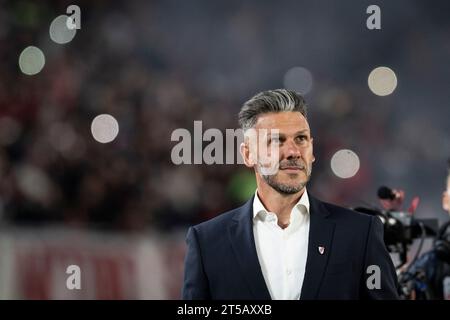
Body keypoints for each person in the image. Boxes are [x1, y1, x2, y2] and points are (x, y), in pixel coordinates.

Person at [182, 89, 399, 299]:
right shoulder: (207, 242)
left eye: (301, 139)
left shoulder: (361, 233)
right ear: (248, 154)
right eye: (277, 140)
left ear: (312, 150)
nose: (293, 152)